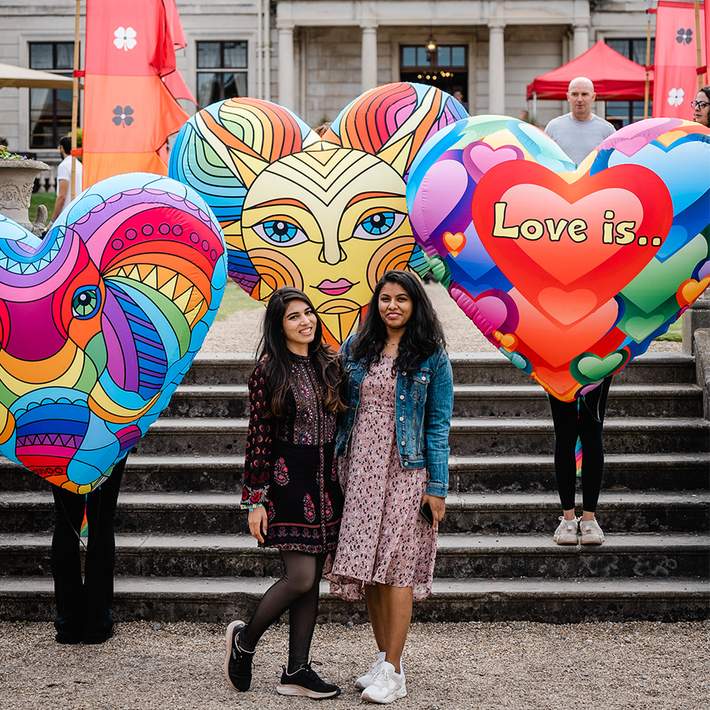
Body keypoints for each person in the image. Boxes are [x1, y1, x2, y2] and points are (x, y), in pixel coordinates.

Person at [329, 270, 453, 705]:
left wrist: (436, 486)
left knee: (398, 567)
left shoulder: (431, 356)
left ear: (416, 304)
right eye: (385, 299)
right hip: (359, 470)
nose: (393, 306)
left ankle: (396, 672)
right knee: (371, 570)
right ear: (375, 303)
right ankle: (383, 660)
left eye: (402, 299)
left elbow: (437, 424)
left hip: (406, 471)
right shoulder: (357, 349)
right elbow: (339, 403)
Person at [224, 287, 344, 700]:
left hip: (327, 482)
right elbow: (258, 439)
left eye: (308, 312)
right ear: (279, 325)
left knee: (311, 583)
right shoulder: (267, 371)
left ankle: (297, 669)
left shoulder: (329, 363)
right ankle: (245, 641)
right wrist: (254, 500)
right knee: (300, 577)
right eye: (294, 316)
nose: (305, 321)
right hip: (286, 482)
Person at [51, 456, 126, 644]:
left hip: (57, 435)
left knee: (66, 522)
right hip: (109, 432)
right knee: (102, 520)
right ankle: (97, 622)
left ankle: (68, 623)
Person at [549, 380, 611, 546]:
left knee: (566, 432)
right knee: (590, 430)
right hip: (598, 356)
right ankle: (587, 521)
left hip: (558, 359)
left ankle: (570, 521)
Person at [544, 76, 615, 165]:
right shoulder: (553, 127)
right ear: (568, 97)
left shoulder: (607, 129)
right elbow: (544, 159)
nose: (579, 99)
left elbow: (613, 162)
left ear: (593, 97)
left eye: (584, 94)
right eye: (574, 94)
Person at [50, 136, 83, 223]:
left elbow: (62, 196)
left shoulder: (64, 166)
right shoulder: (80, 165)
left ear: (61, 148)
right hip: (79, 213)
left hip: (66, 215)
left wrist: (53, 220)